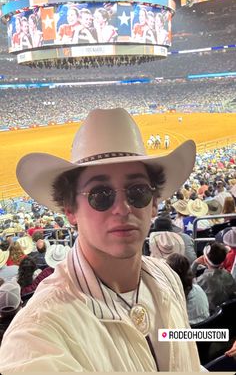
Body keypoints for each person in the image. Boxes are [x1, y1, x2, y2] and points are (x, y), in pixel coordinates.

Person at [0, 108, 200, 371]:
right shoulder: (39, 333)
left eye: (138, 191)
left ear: (154, 204)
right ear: (70, 209)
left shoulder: (167, 278)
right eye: (100, 194)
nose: (122, 208)